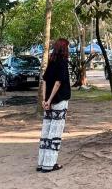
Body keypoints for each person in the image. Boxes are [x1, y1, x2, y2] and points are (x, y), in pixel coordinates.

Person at [37, 38, 71, 173]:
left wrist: (45, 100)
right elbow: (58, 83)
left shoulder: (51, 61)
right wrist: (50, 100)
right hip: (59, 100)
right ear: (64, 48)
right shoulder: (63, 62)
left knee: (46, 131)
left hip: (48, 102)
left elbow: (45, 81)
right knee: (55, 132)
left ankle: (41, 163)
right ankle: (49, 164)